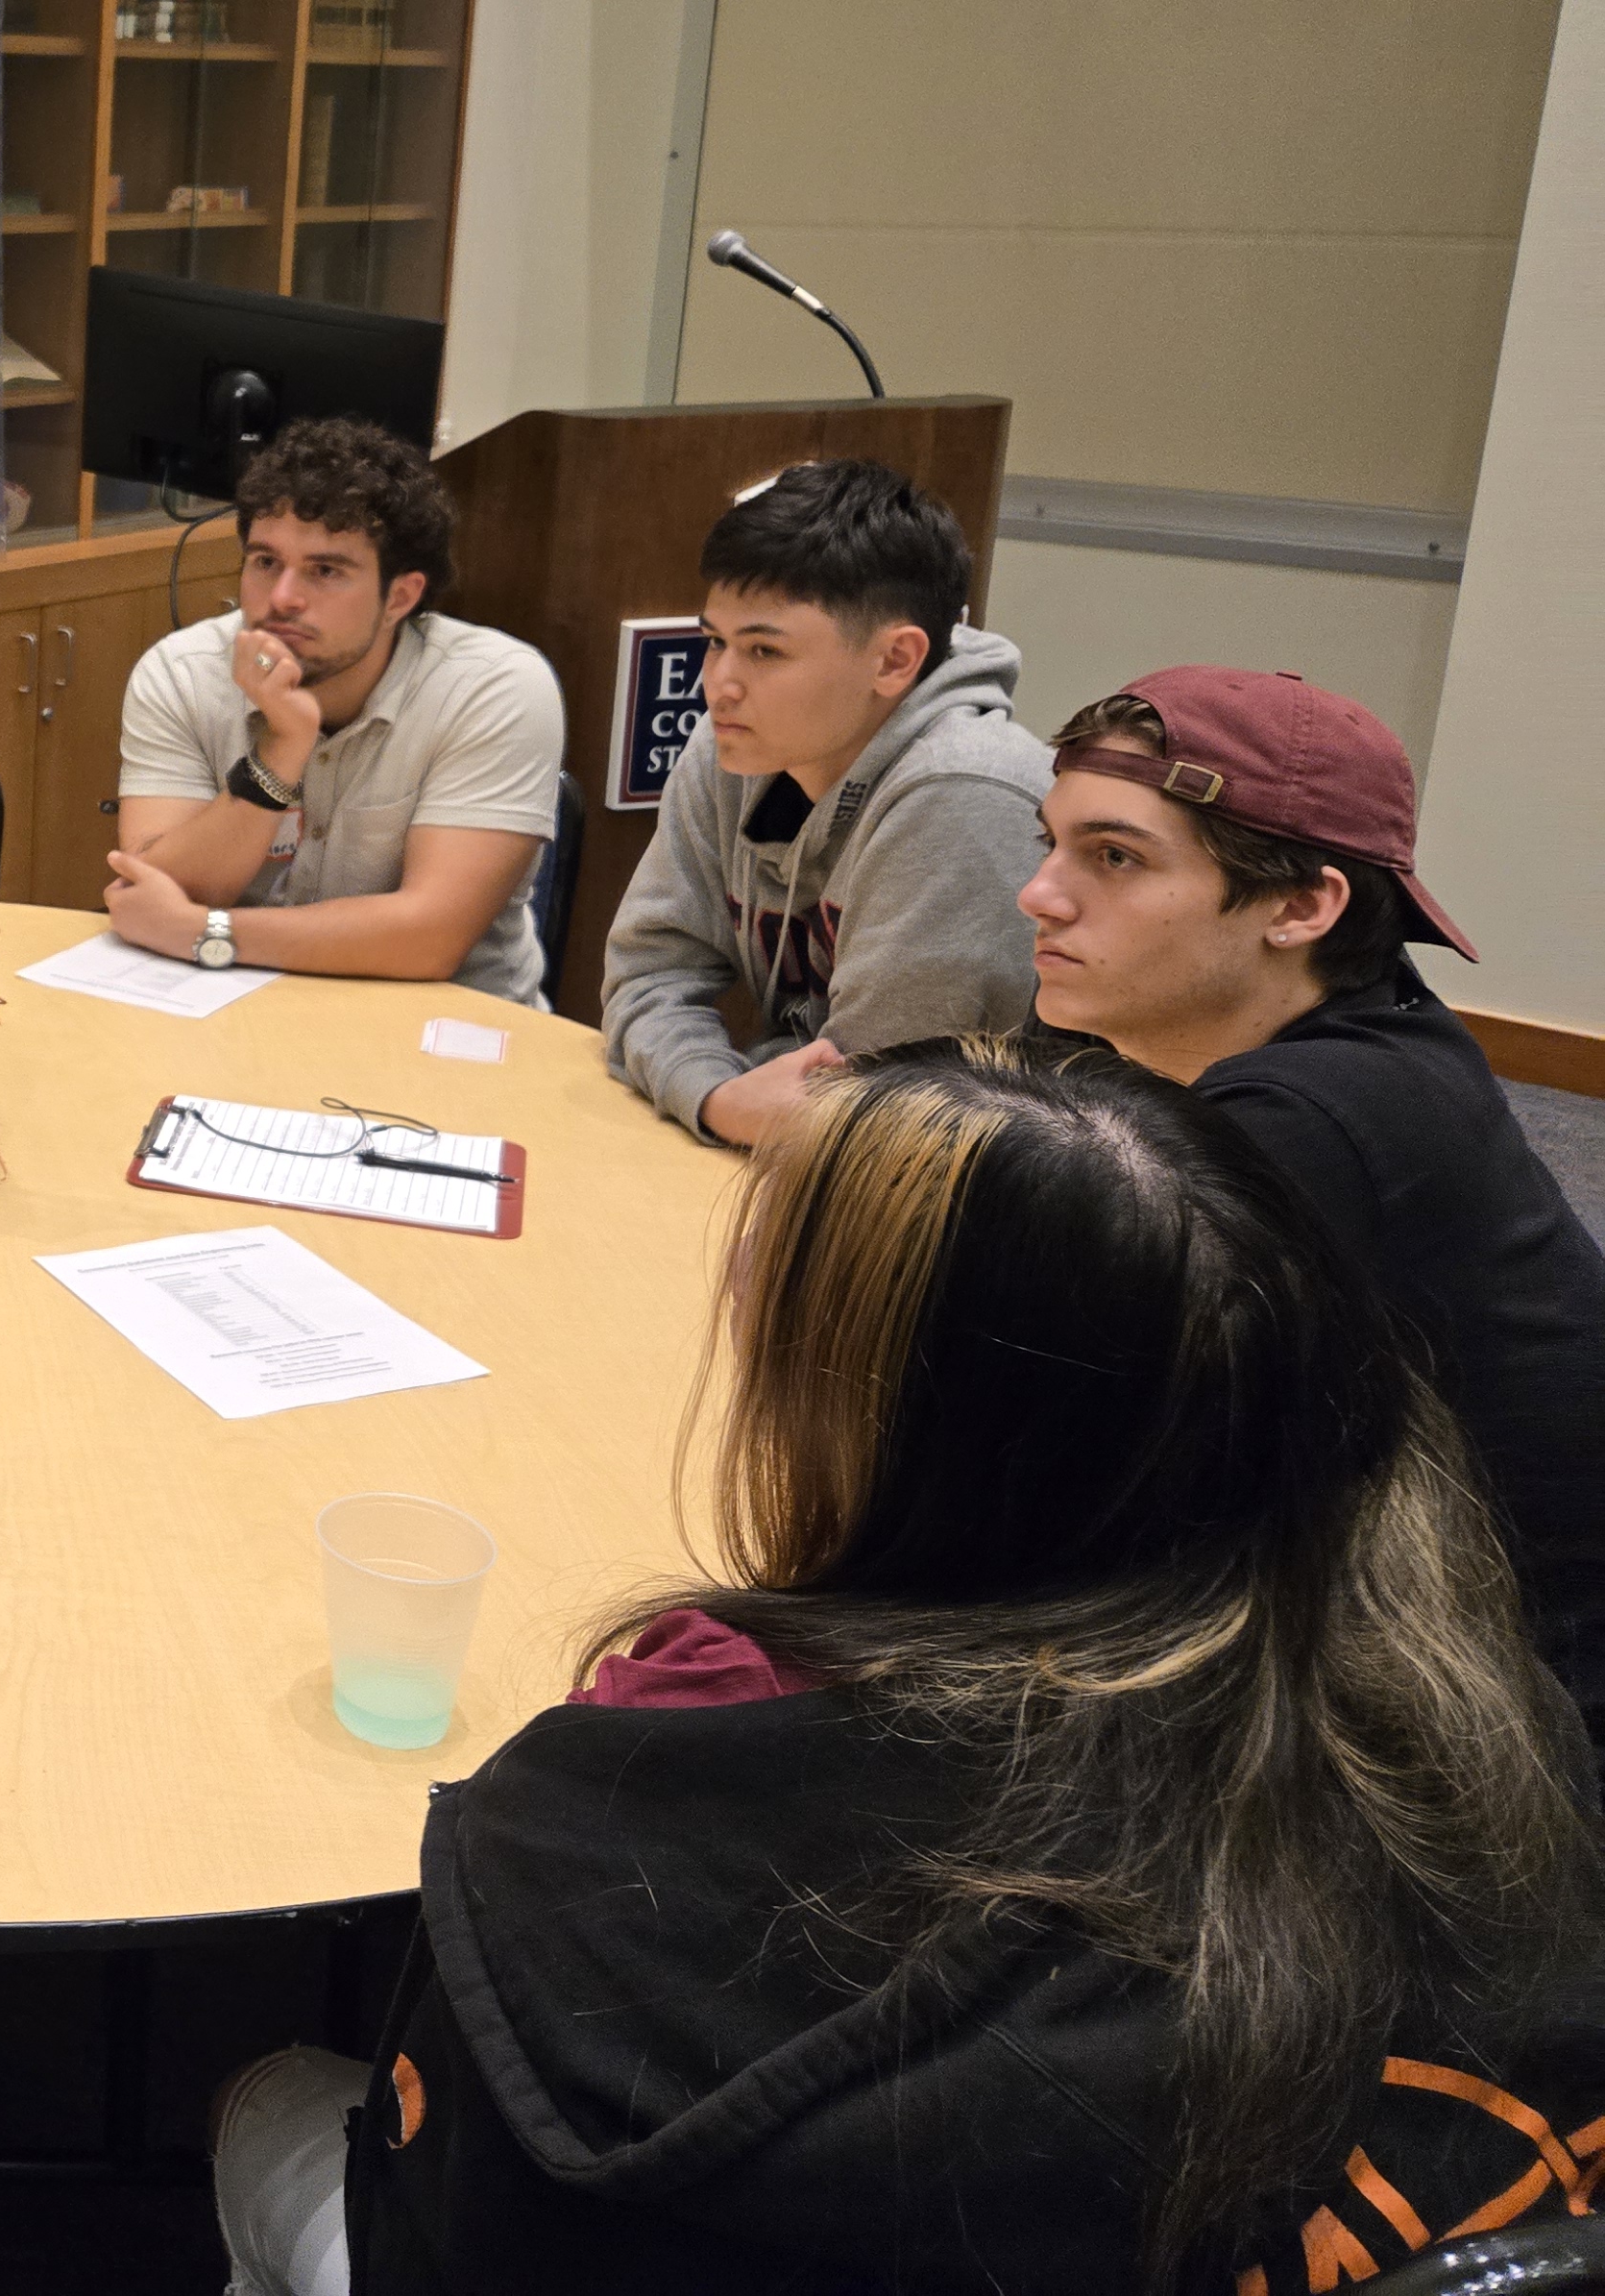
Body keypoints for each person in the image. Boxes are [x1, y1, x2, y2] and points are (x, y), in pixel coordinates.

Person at [212, 1038, 1605, 2294]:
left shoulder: (641, 1786)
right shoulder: (1483, 1740)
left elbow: (460, 2213)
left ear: (859, 1412)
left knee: (271, 2099)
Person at [1025, 665, 1605, 1749]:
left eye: (1113, 858)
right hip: (1391, 1635)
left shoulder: (1312, 1117)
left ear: (1301, 906)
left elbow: (1062, 1453)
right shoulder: (1302, 1023)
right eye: (1048, 845)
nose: (1041, 895)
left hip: (1512, 1741)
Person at [600, 459, 1049, 1144]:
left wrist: (719, 1093)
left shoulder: (966, 794)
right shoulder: (732, 744)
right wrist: (714, 1094)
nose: (718, 684)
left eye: (764, 652)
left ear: (895, 660)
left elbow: (869, 1108)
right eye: (715, 642)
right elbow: (648, 975)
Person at [105, 419, 565, 1004]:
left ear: (401, 596)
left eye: (325, 571)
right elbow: (157, 891)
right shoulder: (181, 672)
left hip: (438, 1035)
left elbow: (429, 940)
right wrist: (280, 751)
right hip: (233, 1013)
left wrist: (209, 934)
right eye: (265, 562)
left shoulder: (496, 687)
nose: (282, 599)